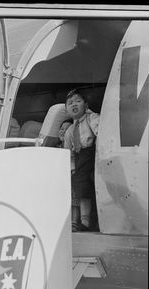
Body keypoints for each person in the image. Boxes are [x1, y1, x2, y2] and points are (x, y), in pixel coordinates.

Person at [63, 89, 100, 231]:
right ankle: (84, 222)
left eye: (78, 101)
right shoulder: (69, 131)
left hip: (91, 155)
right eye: (70, 103)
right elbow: (68, 152)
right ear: (66, 110)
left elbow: (99, 131)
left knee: (90, 187)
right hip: (79, 160)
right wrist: (72, 168)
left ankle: (89, 221)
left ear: (86, 105)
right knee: (81, 190)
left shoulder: (92, 118)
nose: (74, 104)